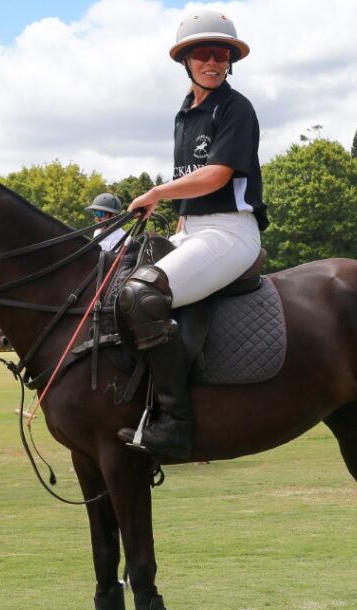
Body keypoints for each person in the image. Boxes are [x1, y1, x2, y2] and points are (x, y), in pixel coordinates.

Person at [116, 9, 267, 460]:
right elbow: (191, 188)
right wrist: (176, 222)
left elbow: (217, 176)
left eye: (221, 53)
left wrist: (156, 192)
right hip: (195, 230)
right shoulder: (185, 113)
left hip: (232, 231)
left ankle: (178, 425)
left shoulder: (236, 108)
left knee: (143, 295)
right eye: (203, 53)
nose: (213, 61)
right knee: (120, 284)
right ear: (185, 59)